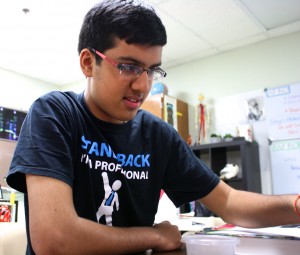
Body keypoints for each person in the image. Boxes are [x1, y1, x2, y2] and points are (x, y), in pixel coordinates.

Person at [6, 0, 300, 254]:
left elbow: (230, 201)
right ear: (87, 62)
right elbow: (54, 239)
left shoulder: (158, 135)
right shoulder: (54, 114)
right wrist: (154, 236)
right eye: (129, 67)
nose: (143, 85)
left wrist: (296, 205)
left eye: (152, 69)